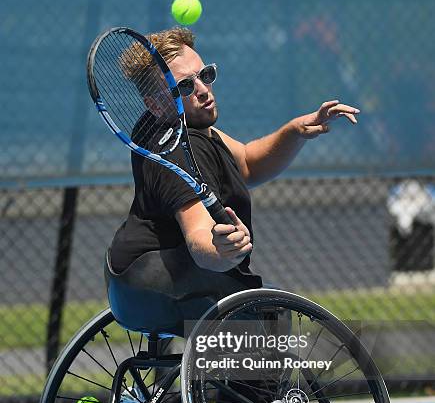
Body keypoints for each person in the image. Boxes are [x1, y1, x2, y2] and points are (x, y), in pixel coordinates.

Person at [110, 26, 359, 294]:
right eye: (184, 86)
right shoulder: (182, 149)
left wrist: (294, 132)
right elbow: (199, 236)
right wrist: (221, 249)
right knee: (271, 318)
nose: (203, 90)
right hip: (156, 284)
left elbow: (248, 164)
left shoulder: (172, 125)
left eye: (206, 75)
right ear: (155, 105)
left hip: (128, 281)